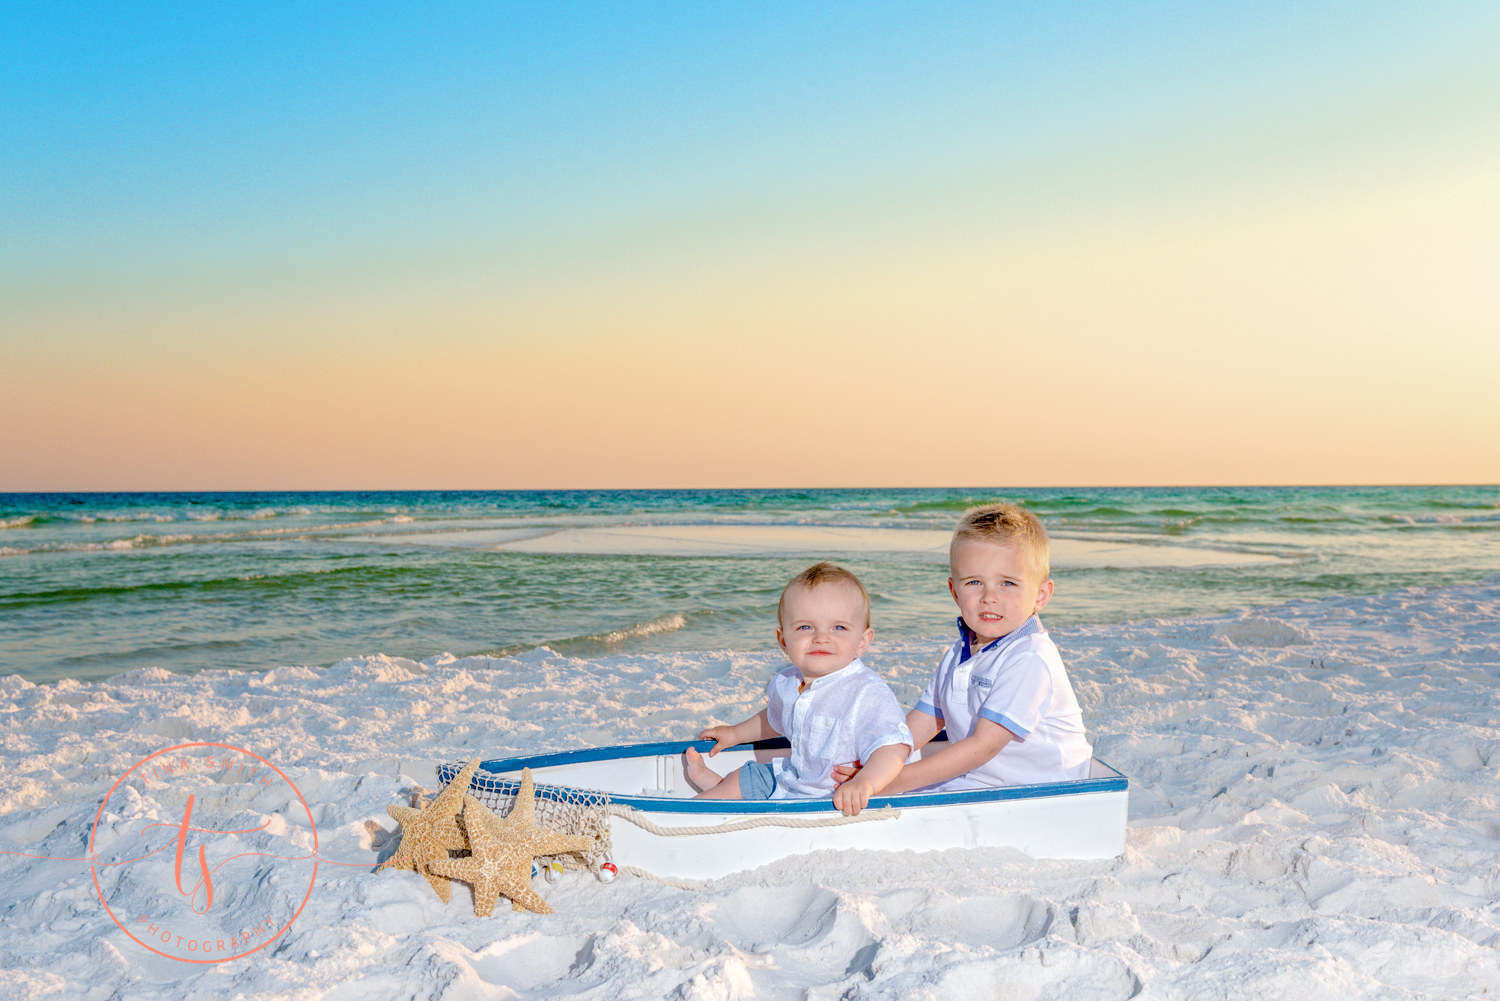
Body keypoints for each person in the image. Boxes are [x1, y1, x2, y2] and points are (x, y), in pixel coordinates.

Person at [836, 503, 1091, 794]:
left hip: (1046, 789)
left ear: (1041, 595)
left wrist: (888, 782)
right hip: (981, 779)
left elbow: (981, 747)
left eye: (1008, 583)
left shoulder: (1030, 658)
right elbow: (923, 723)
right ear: (955, 591)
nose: (989, 597)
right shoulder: (959, 653)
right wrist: (875, 763)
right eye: (974, 582)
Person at [683, 562, 912, 816]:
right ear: (783, 640)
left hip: (831, 793)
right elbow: (777, 717)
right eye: (805, 627)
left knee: (748, 786)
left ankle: (712, 796)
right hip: (793, 777)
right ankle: (714, 790)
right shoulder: (788, 682)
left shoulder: (866, 692)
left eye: (839, 627)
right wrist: (735, 734)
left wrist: (865, 782)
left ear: (862, 641)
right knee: (746, 776)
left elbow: (893, 748)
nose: (821, 637)